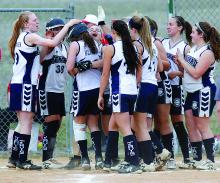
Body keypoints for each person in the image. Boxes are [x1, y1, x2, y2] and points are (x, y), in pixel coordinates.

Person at [7, 11, 78, 170]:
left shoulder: (24, 37)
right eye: (34, 20)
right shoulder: (29, 36)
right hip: (26, 85)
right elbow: (51, 44)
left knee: (23, 123)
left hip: (22, 84)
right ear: (25, 23)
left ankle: (14, 158)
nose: (37, 22)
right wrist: (67, 25)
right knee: (26, 123)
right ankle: (22, 160)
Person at [98, 20, 142, 174]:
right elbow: (139, 71)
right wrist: (134, 86)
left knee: (125, 127)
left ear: (113, 32)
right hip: (132, 92)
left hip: (119, 92)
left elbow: (105, 74)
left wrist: (100, 95)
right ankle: (108, 161)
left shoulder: (110, 49)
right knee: (113, 125)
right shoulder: (134, 47)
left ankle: (134, 161)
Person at [176, 21, 220, 170]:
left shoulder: (207, 52)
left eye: (194, 32)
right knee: (190, 125)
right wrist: (180, 65)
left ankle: (210, 161)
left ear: (201, 35)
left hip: (204, 90)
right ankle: (196, 159)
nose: (190, 34)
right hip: (192, 92)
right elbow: (188, 71)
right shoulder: (194, 49)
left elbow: (196, 73)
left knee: (202, 125)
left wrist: (182, 60)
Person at [128, 15, 164, 172]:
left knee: (139, 126)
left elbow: (138, 69)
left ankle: (149, 161)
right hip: (153, 86)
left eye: (129, 29)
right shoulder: (152, 44)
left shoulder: (137, 44)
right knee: (139, 125)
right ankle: (153, 157)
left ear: (134, 30)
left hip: (142, 86)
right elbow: (160, 69)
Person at [66, 22, 103, 171]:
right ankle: (99, 158)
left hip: (82, 89)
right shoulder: (97, 43)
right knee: (93, 124)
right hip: (97, 88)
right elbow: (103, 62)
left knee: (79, 124)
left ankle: (86, 159)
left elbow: (69, 68)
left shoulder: (76, 45)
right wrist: (91, 64)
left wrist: (77, 69)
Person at [161, 16, 192, 169]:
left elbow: (190, 72)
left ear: (180, 27)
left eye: (171, 24)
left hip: (176, 87)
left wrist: (178, 73)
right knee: (161, 121)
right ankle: (169, 157)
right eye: (168, 24)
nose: (168, 27)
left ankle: (187, 157)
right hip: (163, 85)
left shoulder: (185, 47)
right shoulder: (162, 43)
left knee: (177, 121)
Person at [38, 18, 68, 169]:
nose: (61, 31)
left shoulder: (65, 47)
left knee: (57, 123)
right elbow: (42, 57)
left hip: (59, 90)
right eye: (58, 29)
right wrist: (48, 38)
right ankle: (45, 159)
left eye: (63, 28)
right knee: (51, 123)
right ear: (50, 31)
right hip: (47, 89)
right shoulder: (49, 45)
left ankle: (50, 156)